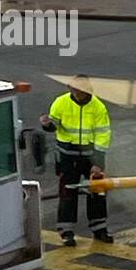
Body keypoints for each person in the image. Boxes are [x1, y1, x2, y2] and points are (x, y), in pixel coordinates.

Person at [40, 76, 112, 246]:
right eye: (76, 89)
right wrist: (46, 124)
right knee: (67, 194)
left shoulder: (98, 107)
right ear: (70, 88)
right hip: (68, 157)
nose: (79, 92)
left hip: (90, 158)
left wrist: (98, 164)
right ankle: (66, 232)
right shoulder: (61, 103)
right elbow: (54, 125)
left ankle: (99, 229)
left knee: (97, 193)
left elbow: (103, 135)